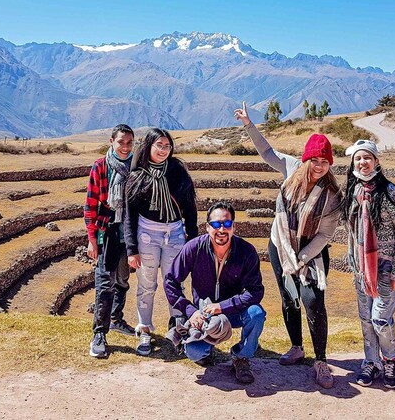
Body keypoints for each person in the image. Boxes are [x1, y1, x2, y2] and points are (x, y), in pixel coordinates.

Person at [234, 102, 342, 389]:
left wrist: (302, 258)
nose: (319, 166)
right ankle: (297, 347)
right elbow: (267, 152)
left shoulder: (332, 194)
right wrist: (249, 125)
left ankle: (320, 360)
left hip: (313, 253)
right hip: (280, 245)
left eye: (325, 161)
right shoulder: (292, 169)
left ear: (330, 163)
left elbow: (325, 235)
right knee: (288, 298)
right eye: (315, 160)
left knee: (312, 301)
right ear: (306, 160)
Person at [164, 201, 266, 384]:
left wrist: (223, 306)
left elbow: (255, 291)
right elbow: (171, 281)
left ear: (233, 226)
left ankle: (241, 357)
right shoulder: (194, 248)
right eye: (216, 224)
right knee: (195, 353)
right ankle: (206, 348)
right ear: (207, 227)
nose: (222, 230)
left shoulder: (246, 251)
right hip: (203, 315)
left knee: (256, 314)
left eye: (227, 224)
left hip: (233, 311)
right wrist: (190, 311)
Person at [341, 139, 395, 389]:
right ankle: (371, 362)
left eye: (367, 158)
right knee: (365, 319)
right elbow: (351, 231)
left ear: (377, 161)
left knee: (380, 319)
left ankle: (390, 360)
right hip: (362, 268)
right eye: (358, 159)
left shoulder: (389, 191)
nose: (363, 162)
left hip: (386, 266)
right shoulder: (353, 191)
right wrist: (352, 261)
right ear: (353, 163)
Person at [124, 127, 197, 356]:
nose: (164, 150)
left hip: (175, 233)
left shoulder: (177, 171)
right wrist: (131, 249)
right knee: (146, 284)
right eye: (159, 145)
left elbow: (190, 208)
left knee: (174, 282)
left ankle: (178, 328)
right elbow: (130, 216)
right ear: (149, 146)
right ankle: (144, 328)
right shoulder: (138, 176)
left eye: (167, 146)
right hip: (147, 234)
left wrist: (192, 240)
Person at [84, 124, 136, 358]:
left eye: (129, 143)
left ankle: (116, 319)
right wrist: (92, 240)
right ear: (111, 142)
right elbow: (91, 205)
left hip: (130, 230)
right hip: (108, 231)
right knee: (105, 282)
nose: (125, 147)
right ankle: (99, 333)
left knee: (123, 279)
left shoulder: (137, 166)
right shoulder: (100, 166)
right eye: (121, 142)